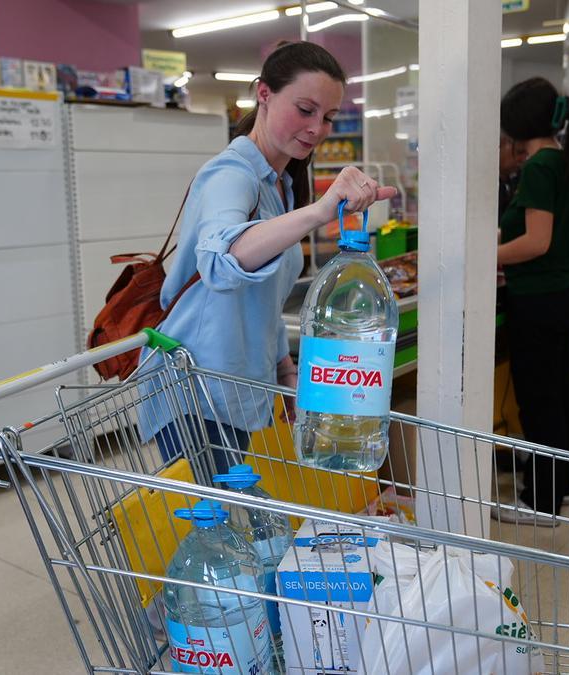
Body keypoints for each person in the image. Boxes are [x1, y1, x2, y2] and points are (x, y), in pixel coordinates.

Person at [139, 42, 397, 478]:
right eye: (305, 109)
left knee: (232, 519)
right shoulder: (231, 174)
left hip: (236, 386)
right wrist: (320, 210)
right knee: (215, 525)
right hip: (197, 390)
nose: (317, 128)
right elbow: (220, 262)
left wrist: (285, 371)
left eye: (328, 117)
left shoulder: (280, 185)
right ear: (264, 94)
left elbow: (265, 298)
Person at [495, 77, 569, 525]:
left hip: (538, 301)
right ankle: (561, 488)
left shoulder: (539, 167)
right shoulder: (565, 160)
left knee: (539, 402)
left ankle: (540, 502)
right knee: (559, 396)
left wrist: (483, 257)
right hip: (566, 294)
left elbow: (537, 242)